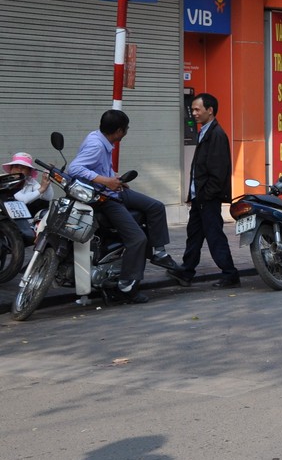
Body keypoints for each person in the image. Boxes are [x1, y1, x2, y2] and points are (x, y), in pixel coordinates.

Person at [66, 110, 180, 303]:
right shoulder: (96, 145)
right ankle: (127, 286)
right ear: (119, 131)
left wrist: (114, 178)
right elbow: (74, 169)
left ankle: (160, 253)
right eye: (126, 129)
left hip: (114, 189)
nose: (126, 133)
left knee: (156, 206)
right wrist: (106, 181)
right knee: (138, 239)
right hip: (104, 198)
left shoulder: (99, 138)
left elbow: (98, 168)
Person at [173, 93, 238, 288]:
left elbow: (218, 172)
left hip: (207, 198)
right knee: (194, 235)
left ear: (209, 110)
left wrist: (205, 195)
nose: (193, 113)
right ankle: (186, 272)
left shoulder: (216, 134)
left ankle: (230, 274)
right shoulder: (205, 131)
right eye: (192, 109)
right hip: (200, 197)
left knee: (214, 235)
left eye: (197, 109)